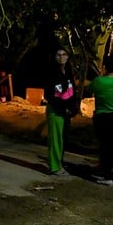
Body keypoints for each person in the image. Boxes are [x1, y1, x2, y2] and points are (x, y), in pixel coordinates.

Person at [90, 54, 113, 186]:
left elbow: (91, 90)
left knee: (106, 147)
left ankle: (107, 175)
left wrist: (101, 74)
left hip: (104, 117)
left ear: (105, 67)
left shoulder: (99, 81)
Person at [44, 47, 79, 176]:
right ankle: (54, 167)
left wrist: (74, 108)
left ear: (68, 57)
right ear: (55, 57)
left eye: (64, 54)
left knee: (63, 139)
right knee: (55, 140)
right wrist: (63, 107)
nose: (61, 57)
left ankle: (59, 164)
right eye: (58, 54)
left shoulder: (68, 72)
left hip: (67, 111)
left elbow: (72, 92)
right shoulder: (50, 72)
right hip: (56, 110)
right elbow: (49, 95)